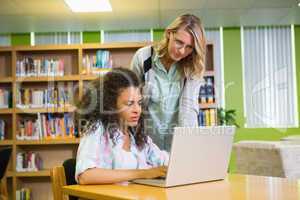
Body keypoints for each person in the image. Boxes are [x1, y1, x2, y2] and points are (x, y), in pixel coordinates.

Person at [75, 68, 169, 185]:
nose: (137, 110)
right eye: (129, 104)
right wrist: (143, 173)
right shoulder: (97, 129)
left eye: (139, 103)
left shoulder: (136, 134)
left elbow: (164, 160)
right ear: (111, 105)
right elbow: (85, 176)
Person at [131, 14, 206, 150]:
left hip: (177, 146)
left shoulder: (193, 67)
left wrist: (188, 147)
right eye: (179, 42)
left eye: (189, 47)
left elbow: (189, 109)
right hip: (146, 146)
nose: (182, 51)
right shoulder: (143, 58)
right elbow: (131, 102)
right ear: (169, 34)